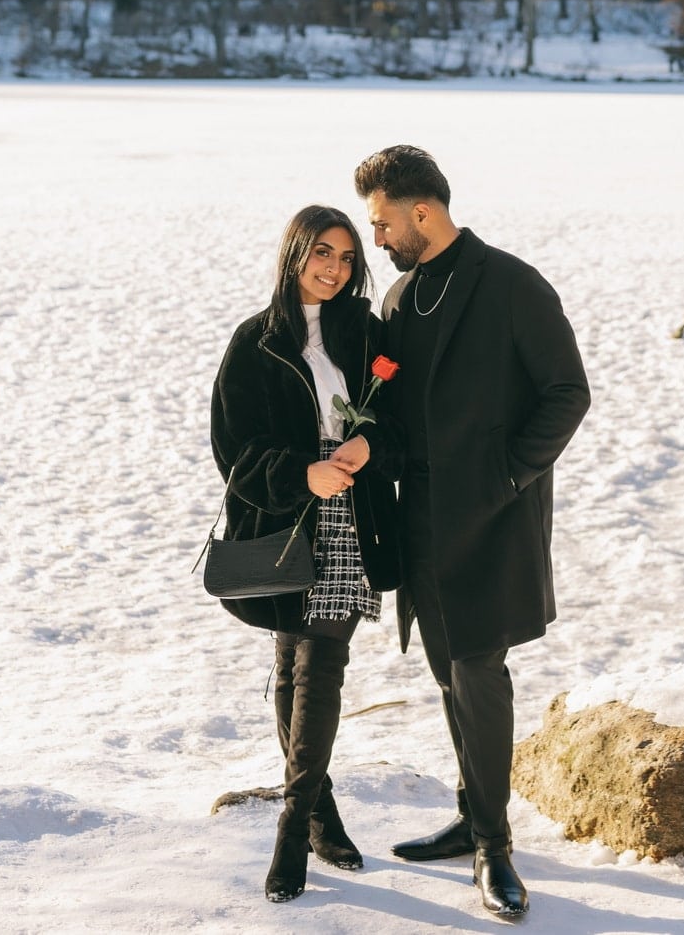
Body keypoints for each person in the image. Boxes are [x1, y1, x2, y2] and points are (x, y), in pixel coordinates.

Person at [353, 145, 590, 922]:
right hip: (419, 520)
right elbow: (388, 412)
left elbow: (567, 393)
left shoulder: (512, 284)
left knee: (479, 674)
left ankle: (494, 846)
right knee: (448, 675)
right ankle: (469, 812)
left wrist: (506, 476)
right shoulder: (398, 300)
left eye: (383, 221)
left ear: (422, 210)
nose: (378, 238)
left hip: (491, 520)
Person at [210, 205, 402, 903]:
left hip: (352, 511)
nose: (336, 268)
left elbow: (399, 408)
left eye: (348, 257)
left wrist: (368, 442)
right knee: (290, 663)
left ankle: (291, 831)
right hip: (289, 517)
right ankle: (321, 811)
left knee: (322, 664)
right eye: (323, 252)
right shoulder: (255, 342)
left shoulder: (362, 332)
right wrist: (302, 475)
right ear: (295, 253)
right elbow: (234, 451)